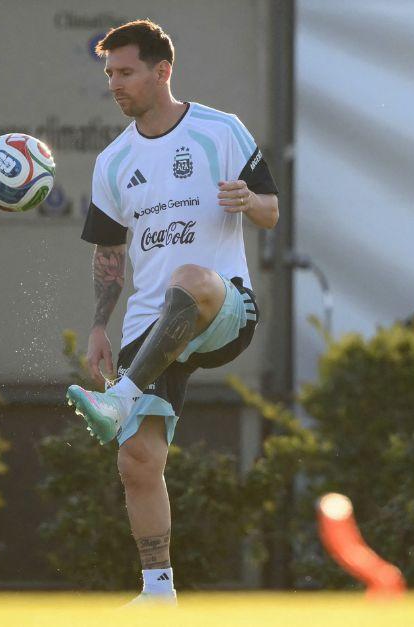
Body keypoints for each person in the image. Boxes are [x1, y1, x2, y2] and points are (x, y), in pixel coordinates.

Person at [66, 20, 278, 604]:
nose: (115, 84)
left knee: (189, 279)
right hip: (150, 327)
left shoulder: (221, 129)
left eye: (125, 72)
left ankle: (124, 396)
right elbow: (110, 256)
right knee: (137, 460)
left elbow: (271, 211)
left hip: (221, 308)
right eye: (109, 73)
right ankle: (158, 589)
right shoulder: (111, 161)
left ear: (162, 72)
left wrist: (249, 200)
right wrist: (99, 325)